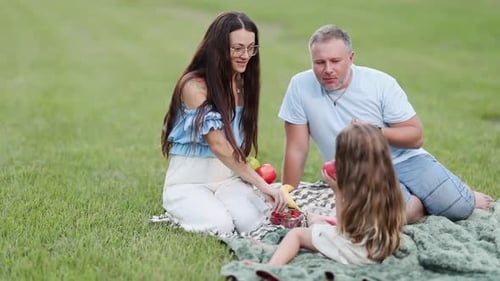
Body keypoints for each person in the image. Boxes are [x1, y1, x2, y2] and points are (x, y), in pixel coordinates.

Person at [278, 24, 493, 224]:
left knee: (461, 209)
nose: (328, 69)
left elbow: (416, 137)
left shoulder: (380, 83)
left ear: (351, 58)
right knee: (399, 214)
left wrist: (375, 133)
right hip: (359, 170)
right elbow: (297, 149)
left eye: (335, 61)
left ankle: (459, 192)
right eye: (319, 62)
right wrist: (289, 197)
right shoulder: (300, 86)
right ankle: (418, 201)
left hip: (405, 159)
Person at [160, 11, 286, 234]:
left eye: (251, 48)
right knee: (222, 226)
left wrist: (254, 182)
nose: (245, 55)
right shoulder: (194, 87)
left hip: (227, 180)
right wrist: (261, 184)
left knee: (253, 222)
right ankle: (178, 209)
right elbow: (218, 145)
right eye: (237, 48)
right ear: (217, 48)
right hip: (188, 183)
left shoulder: (243, 85)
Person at [252, 123, 406, 266]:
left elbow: (344, 227)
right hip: (382, 248)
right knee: (318, 223)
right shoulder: (388, 184)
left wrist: (337, 191)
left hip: (358, 252)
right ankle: (284, 249)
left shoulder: (357, 193)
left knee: (297, 234)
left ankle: (271, 266)